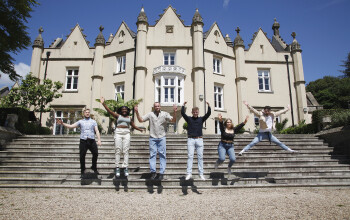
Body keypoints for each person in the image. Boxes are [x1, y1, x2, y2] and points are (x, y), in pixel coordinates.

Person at [100, 97, 145, 177]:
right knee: (118, 150)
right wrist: (103, 103)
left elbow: (133, 126)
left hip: (126, 132)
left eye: (125, 109)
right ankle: (117, 167)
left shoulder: (129, 118)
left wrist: (139, 129)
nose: (124, 110)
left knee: (126, 150)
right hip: (118, 132)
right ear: (121, 111)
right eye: (123, 109)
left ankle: (125, 167)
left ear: (127, 111)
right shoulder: (118, 116)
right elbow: (109, 111)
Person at [134, 102, 177, 180]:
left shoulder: (165, 114)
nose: (157, 107)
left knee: (162, 155)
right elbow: (141, 120)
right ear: (154, 107)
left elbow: (173, 121)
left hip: (162, 137)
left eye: (158, 106)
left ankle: (161, 173)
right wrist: (137, 112)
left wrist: (174, 112)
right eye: (155, 106)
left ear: (160, 106)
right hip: (153, 137)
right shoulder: (150, 114)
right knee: (152, 155)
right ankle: (153, 172)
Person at [56, 109, 101, 178]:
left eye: (88, 112)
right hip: (83, 141)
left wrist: (99, 140)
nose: (87, 113)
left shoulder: (93, 122)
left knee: (95, 153)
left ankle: (93, 166)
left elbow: (97, 130)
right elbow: (71, 126)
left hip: (92, 140)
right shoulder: (80, 122)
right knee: (82, 156)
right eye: (86, 112)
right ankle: (83, 170)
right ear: (84, 114)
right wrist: (62, 123)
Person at [181, 101, 211, 180]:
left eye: (196, 112)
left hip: (199, 139)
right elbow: (183, 114)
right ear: (192, 112)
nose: (195, 113)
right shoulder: (189, 119)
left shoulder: (201, 119)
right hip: (191, 139)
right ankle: (189, 173)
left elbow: (208, 114)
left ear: (198, 112)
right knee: (190, 156)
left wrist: (209, 106)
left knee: (200, 157)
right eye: (194, 112)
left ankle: (201, 173)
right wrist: (183, 105)